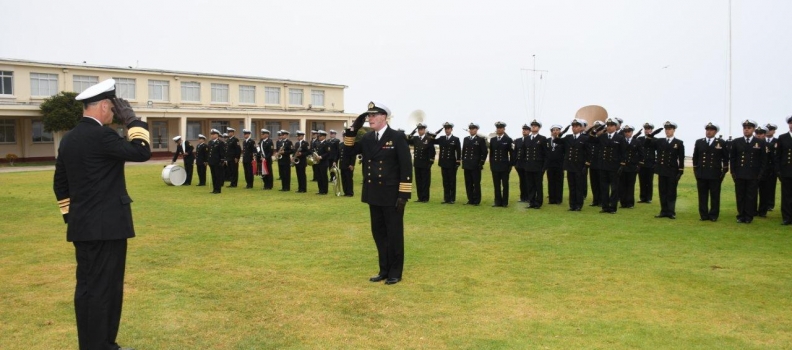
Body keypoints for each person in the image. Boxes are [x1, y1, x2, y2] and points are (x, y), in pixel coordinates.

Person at [53, 78, 151, 350]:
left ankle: (97, 344)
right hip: (107, 228)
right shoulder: (103, 135)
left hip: (83, 227)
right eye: (114, 108)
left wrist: (72, 216)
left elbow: (60, 184)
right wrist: (133, 121)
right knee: (105, 289)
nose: (114, 114)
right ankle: (101, 346)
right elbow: (142, 152)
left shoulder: (69, 138)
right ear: (105, 106)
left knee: (87, 288)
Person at [343, 101, 412, 285]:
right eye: (368, 116)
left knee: (394, 235)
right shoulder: (367, 138)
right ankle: (384, 270)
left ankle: (395, 272)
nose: (370, 118)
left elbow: (406, 166)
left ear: (384, 117)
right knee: (379, 234)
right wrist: (352, 129)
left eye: (373, 115)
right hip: (374, 193)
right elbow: (348, 150)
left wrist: (403, 195)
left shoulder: (396, 137)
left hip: (392, 195)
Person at [645, 121, 684, 219]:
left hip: (672, 170)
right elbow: (646, 145)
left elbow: (681, 158)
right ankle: (663, 211)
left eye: (669, 129)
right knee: (662, 191)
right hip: (661, 170)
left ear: (674, 130)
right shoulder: (660, 141)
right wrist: (651, 135)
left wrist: (680, 171)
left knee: (671, 192)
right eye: (666, 129)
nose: (667, 131)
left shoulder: (678, 143)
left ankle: (671, 212)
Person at [731, 120, 767, 223]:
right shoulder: (736, 142)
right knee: (740, 195)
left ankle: (749, 216)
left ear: (753, 129)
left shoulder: (760, 142)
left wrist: (759, 174)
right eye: (745, 128)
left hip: (753, 174)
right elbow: (733, 158)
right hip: (740, 174)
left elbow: (763, 160)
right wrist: (733, 173)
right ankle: (741, 215)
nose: (746, 130)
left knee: (751, 196)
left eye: (749, 128)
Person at [587, 118, 626, 214]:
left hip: (614, 167)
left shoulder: (620, 138)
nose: (609, 127)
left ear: (616, 127)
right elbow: (591, 140)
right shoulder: (602, 137)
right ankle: (605, 207)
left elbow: (623, 152)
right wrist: (594, 131)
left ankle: (613, 207)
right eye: (608, 125)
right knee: (604, 188)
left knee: (614, 188)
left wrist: (622, 165)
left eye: (611, 125)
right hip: (603, 166)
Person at [691, 123, 729, 221]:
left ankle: (713, 215)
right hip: (702, 173)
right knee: (702, 196)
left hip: (715, 174)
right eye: (707, 129)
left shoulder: (721, 142)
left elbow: (725, 158)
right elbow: (695, 157)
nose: (709, 131)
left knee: (715, 196)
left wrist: (724, 170)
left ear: (715, 132)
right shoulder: (699, 142)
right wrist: (696, 170)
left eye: (711, 130)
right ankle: (703, 215)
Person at [553, 119, 589, 211]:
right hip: (570, 165)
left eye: (577, 126)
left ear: (581, 128)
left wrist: (587, 164)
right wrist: (561, 134)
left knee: (579, 187)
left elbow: (588, 152)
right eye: (573, 126)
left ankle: (578, 205)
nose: (574, 128)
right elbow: (557, 141)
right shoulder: (568, 137)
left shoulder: (585, 138)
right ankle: (572, 205)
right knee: (571, 186)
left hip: (579, 166)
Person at [434, 122, 461, 204]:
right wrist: (436, 133)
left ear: (451, 129)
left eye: (448, 129)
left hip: (452, 164)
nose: (447, 130)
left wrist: (458, 161)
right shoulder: (441, 138)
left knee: (452, 181)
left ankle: (452, 198)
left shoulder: (455, 139)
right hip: (443, 163)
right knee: (445, 181)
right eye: (445, 129)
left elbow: (458, 151)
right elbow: (432, 140)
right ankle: (446, 198)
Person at [461, 122, 488, 205]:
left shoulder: (480, 139)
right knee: (468, 183)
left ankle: (477, 200)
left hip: (476, 165)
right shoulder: (466, 139)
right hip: (467, 164)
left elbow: (484, 152)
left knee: (476, 183)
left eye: (473, 129)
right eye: (471, 129)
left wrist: (481, 162)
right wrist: (463, 161)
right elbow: (464, 151)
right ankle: (470, 199)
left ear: (476, 130)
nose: (472, 130)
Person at [522, 119, 547, 209]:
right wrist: (524, 165)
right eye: (532, 126)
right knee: (530, 185)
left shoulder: (542, 139)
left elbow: (545, 154)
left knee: (538, 185)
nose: (533, 127)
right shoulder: (527, 139)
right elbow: (524, 153)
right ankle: (531, 202)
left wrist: (544, 167)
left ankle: (538, 202)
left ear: (539, 128)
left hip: (538, 166)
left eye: (535, 126)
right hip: (528, 166)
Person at [618, 125, 643, 209]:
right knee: (622, 185)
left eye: (629, 131)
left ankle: (630, 203)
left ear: (632, 132)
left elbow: (641, 154)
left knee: (630, 185)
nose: (627, 133)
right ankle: (623, 202)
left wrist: (639, 165)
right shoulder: (621, 141)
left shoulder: (637, 142)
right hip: (623, 166)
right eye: (625, 132)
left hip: (632, 167)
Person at [489, 121, 512, 207]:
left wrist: (510, 165)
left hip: (504, 166)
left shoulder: (508, 140)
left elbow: (512, 154)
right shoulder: (493, 140)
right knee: (496, 185)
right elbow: (491, 154)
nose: (499, 129)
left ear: (504, 129)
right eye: (498, 128)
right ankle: (497, 201)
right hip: (495, 166)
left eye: (500, 128)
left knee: (505, 185)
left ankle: (505, 202)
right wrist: (491, 165)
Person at [412, 123, 436, 202]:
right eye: (419, 129)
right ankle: (420, 197)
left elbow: (432, 151)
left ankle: (425, 198)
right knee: (418, 181)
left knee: (425, 182)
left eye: (421, 129)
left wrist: (430, 162)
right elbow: (407, 141)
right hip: (417, 163)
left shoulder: (428, 139)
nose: (420, 131)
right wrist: (410, 134)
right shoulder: (415, 139)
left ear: (424, 130)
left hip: (425, 164)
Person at [545, 124, 566, 205]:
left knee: (559, 182)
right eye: (553, 130)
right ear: (551, 132)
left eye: (557, 130)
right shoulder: (547, 141)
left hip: (559, 164)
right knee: (551, 182)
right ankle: (551, 199)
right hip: (550, 165)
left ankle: (558, 199)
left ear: (560, 131)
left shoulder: (563, 141)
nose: (555, 131)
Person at [777, 116, 792, 225]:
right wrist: (778, 171)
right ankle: (787, 217)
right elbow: (778, 156)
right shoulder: (782, 138)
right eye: (790, 123)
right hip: (786, 171)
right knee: (786, 195)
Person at [637, 123, 656, 203]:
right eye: (646, 129)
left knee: (649, 181)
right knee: (642, 180)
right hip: (641, 163)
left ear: (651, 130)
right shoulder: (640, 139)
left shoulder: (655, 140)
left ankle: (648, 198)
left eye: (648, 129)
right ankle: (642, 197)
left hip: (650, 163)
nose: (647, 130)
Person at [763, 123, 779, 213]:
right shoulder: (761, 141)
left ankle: (770, 204)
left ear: (774, 131)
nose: (769, 131)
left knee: (771, 186)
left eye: (771, 129)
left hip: (772, 168)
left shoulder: (778, 141)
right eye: (767, 129)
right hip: (763, 168)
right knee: (761, 188)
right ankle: (762, 205)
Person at [514, 124, 530, 202]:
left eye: (526, 130)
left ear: (529, 131)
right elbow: (515, 152)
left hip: (527, 164)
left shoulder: (530, 139)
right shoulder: (518, 140)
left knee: (528, 181)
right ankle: (522, 197)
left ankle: (529, 197)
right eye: (523, 129)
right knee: (522, 181)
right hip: (519, 164)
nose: (524, 131)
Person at [338, 128, 356, 196]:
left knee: (349, 179)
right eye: (343, 136)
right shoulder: (341, 144)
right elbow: (338, 154)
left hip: (348, 165)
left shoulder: (351, 144)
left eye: (345, 136)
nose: (344, 137)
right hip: (342, 164)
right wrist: (334, 161)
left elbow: (353, 155)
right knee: (344, 179)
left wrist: (352, 164)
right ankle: (345, 191)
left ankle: (350, 192)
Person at [208, 129, 227, 194]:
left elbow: (222, 153)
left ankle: (218, 189)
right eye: (211, 134)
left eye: (214, 134)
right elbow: (209, 152)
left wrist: (222, 161)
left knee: (218, 176)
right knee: (213, 176)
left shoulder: (220, 143)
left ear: (217, 135)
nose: (212, 135)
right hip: (211, 162)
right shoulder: (210, 142)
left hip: (217, 162)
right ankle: (214, 189)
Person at [315, 130, 331, 195]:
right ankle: (320, 190)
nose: (319, 137)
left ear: (324, 136)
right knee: (319, 176)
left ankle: (324, 190)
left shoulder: (327, 143)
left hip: (324, 162)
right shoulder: (318, 143)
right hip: (318, 162)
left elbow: (328, 153)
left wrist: (321, 157)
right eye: (318, 136)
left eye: (320, 136)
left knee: (323, 176)